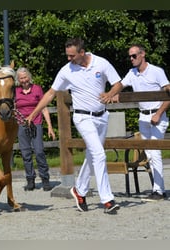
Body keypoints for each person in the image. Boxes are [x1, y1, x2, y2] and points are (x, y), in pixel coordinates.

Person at [26, 37, 121, 214]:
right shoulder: (65, 71)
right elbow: (50, 93)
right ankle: (107, 200)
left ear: (82, 52)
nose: (68, 59)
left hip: (102, 116)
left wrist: (111, 93)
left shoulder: (101, 63)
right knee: (99, 154)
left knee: (92, 157)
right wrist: (34, 113)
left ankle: (79, 190)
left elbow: (118, 83)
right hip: (83, 118)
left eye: (71, 56)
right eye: (67, 55)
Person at [100, 44, 170, 201]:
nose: (131, 59)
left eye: (134, 56)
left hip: (157, 117)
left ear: (143, 54)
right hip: (143, 117)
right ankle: (157, 188)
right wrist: (112, 95)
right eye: (130, 56)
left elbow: (168, 93)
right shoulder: (132, 73)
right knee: (150, 154)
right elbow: (120, 85)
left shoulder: (157, 72)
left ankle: (159, 191)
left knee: (155, 153)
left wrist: (159, 113)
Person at [15, 67, 56, 191]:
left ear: (29, 77)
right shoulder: (15, 92)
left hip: (36, 123)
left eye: (25, 77)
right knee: (26, 153)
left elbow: (44, 107)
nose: (24, 80)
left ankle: (45, 178)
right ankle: (30, 179)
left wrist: (49, 126)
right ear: (18, 80)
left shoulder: (37, 89)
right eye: (21, 78)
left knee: (39, 152)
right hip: (22, 124)